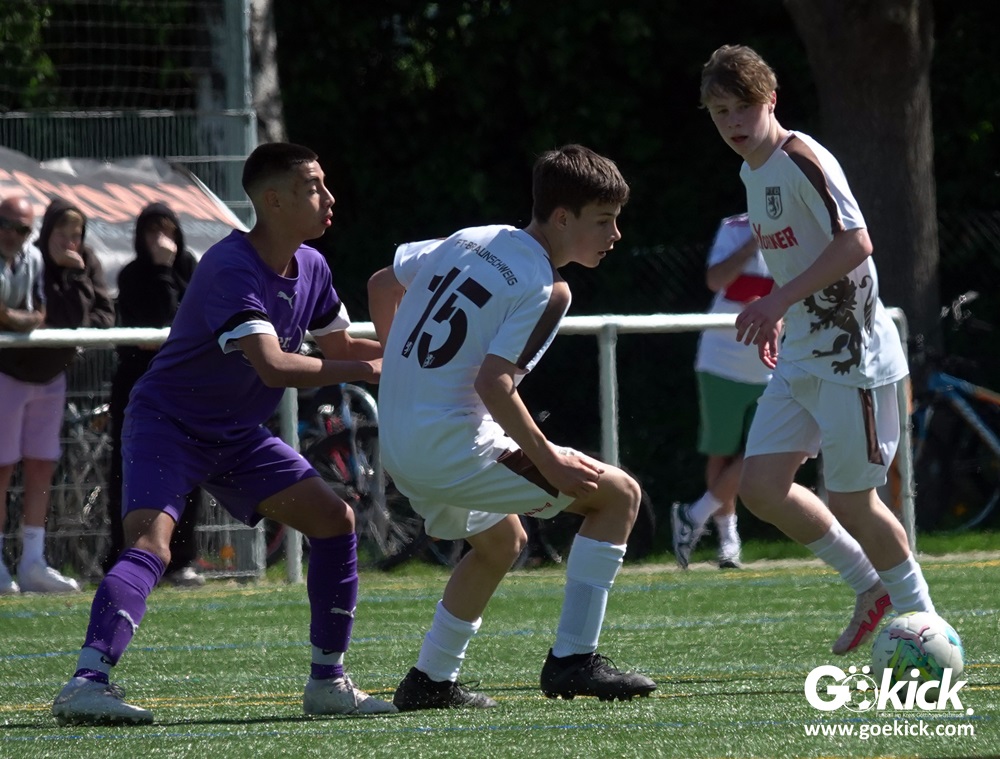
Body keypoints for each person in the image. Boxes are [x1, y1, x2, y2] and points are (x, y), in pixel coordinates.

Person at [52, 142, 396, 725]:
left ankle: (328, 683)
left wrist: (422, 352)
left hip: (235, 432)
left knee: (334, 520)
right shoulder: (231, 266)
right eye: (313, 186)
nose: (329, 197)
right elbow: (275, 366)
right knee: (150, 544)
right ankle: (85, 684)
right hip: (168, 421)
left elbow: (341, 346)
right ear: (273, 200)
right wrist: (369, 368)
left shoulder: (312, 266)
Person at [368, 144, 656, 710]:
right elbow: (495, 384)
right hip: (448, 446)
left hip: (397, 440)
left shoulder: (472, 237)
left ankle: (429, 681)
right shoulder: (548, 287)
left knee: (501, 541)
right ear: (563, 218)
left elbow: (383, 284)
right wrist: (549, 460)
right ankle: (574, 661)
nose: (615, 235)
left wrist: (400, 369)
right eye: (604, 221)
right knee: (618, 495)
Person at [700, 44, 936, 654]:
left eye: (743, 107)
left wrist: (775, 302)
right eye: (720, 112)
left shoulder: (802, 158)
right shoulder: (752, 172)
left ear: (770, 100)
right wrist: (782, 311)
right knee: (760, 487)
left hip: (854, 358)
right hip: (802, 353)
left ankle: (927, 628)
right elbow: (798, 257)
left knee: (853, 501)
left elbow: (856, 242)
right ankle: (868, 586)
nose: (733, 122)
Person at [0, 197, 115, 595]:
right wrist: (33, 320)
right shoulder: (31, 260)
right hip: (8, 373)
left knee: (42, 466)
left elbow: (91, 319)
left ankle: (33, 562)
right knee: (1, 468)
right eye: (62, 232)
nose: (70, 240)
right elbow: (34, 316)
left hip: (52, 378)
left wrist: (74, 277)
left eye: (76, 233)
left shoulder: (79, 263)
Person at [102, 202, 205, 587]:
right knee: (127, 471)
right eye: (152, 231)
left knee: (188, 469)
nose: (161, 240)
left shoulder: (190, 269)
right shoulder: (132, 275)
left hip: (184, 385)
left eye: (167, 230)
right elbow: (157, 321)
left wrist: (169, 271)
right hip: (138, 387)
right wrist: (160, 270)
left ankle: (181, 559)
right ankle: (126, 554)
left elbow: (187, 322)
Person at [672, 212, 773, 570]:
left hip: (773, 363)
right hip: (721, 360)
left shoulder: (804, 228)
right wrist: (754, 241)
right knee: (721, 454)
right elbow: (716, 280)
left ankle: (693, 515)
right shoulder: (734, 227)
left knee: (768, 448)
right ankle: (728, 544)